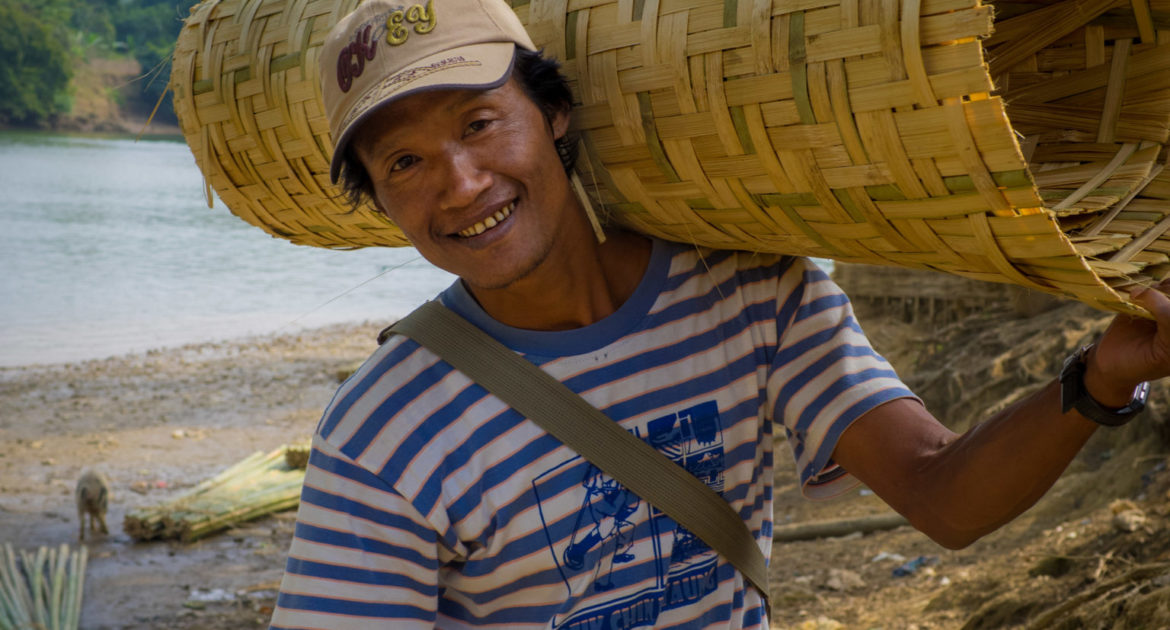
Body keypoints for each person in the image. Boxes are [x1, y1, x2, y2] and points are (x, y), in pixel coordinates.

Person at [269, 0, 1170, 627]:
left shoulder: (751, 293)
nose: (462, 185)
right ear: (382, 202)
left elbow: (943, 495)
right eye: (404, 164)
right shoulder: (382, 430)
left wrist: (1099, 382)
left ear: (554, 114)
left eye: (478, 125)